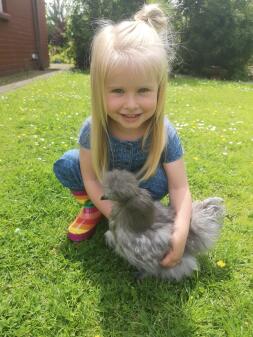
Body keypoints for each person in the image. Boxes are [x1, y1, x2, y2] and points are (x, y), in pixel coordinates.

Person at [53, 3, 192, 268]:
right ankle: (93, 209)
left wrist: (181, 229)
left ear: (159, 89)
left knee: (162, 177)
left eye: (143, 90)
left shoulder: (163, 131)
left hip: (143, 192)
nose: (131, 104)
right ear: (99, 90)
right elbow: (91, 178)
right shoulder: (92, 129)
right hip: (106, 190)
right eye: (117, 91)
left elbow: (179, 187)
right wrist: (115, 215)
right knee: (69, 163)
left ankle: (141, 213)